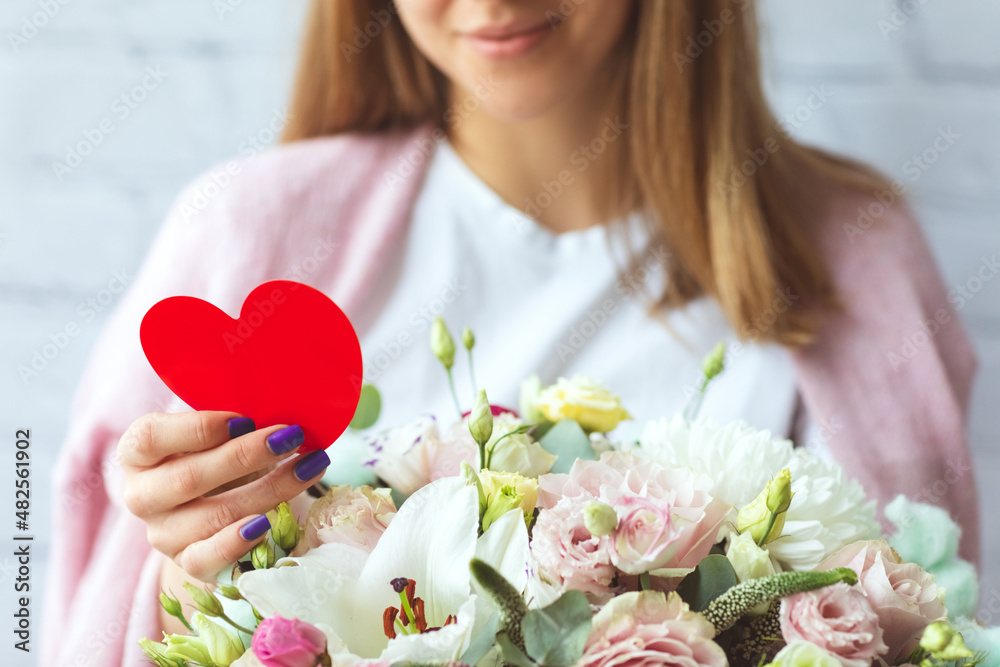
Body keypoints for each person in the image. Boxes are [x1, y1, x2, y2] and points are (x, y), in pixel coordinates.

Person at [42, 1, 981, 665]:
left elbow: (936, 616)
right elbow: (104, 615)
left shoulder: (859, 257)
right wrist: (178, 565)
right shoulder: (244, 232)